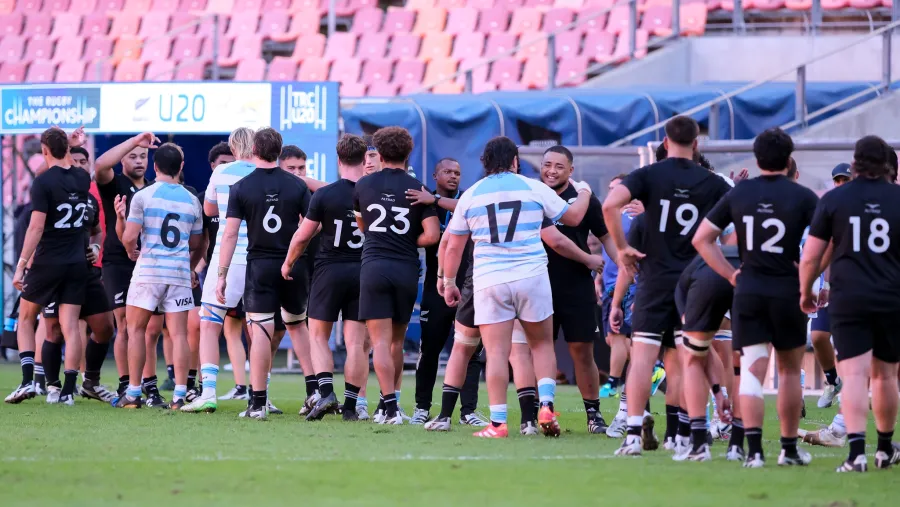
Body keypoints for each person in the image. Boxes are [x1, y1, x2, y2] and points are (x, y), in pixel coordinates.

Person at [442, 136, 593, 438]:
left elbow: (454, 246)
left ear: (484, 162)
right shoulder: (532, 187)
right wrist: (585, 191)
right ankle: (546, 405)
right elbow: (574, 217)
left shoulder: (471, 195)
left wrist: (447, 281)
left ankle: (498, 424)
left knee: (496, 354)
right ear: (515, 161)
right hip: (532, 276)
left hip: (490, 280)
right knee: (541, 345)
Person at [602, 116, 732, 456]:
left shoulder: (649, 174)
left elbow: (609, 205)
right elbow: (734, 225)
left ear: (664, 141)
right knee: (687, 361)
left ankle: (632, 434)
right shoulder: (712, 181)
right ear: (697, 143)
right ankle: (687, 432)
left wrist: (622, 248)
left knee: (642, 357)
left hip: (655, 279)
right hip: (695, 280)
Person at [693, 127, 818, 468]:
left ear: (757, 157)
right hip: (787, 288)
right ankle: (789, 450)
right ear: (789, 158)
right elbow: (829, 240)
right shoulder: (803, 197)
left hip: (749, 289)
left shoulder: (740, 193)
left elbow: (702, 239)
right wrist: (809, 279)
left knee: (751, 371)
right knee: (790, 373)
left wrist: (729, 273)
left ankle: (754, 453)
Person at [800, 135, 900, 473]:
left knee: (854, 375)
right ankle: (884, 449)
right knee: (886, 376)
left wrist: (806, 292)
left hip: (849, 296)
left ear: (855, 164)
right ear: (888, 165)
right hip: (892, 295)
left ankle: (856, 454)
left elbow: (811, 255)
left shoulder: (835, 199)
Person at [215, 127, 312, 420]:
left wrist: (221, 274)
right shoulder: (297, 186)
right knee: (298, 327)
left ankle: (257, 404)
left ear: (254, 150)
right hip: (292, 264)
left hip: (259, 265)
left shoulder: (242, 187)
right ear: (279, 152)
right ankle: (316, 394)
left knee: (260, 331)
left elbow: (230, 234)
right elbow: (310, 226)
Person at [353, 126, 440, 425]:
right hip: (405, 269)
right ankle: (394, 403)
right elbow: (432, 235)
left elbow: (363, 227)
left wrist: (386, 237)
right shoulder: (419, 188)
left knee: (377, 342)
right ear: (408, 152)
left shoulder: (363, 186)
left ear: (379, 152)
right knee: (396, 343)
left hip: (374, 265)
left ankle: (387, 409)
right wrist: (404, 240)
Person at [281, 134, 368, 421]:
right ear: (365, 159)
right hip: (363, 270)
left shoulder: (326, 195)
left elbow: (302, 236)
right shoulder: (371, 193)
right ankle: (353, 407)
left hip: (330, 270)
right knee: (356, 342)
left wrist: (288, 263)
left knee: (318, 335)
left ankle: (327, 392)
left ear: (339, 160)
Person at [112, 143, 204, 409]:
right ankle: (179, 395)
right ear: (181, 167)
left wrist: (132, 251)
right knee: (179, 336)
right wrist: (189, 267)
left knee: (136, 330)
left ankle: (133, 393)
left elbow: (129, 237)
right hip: (177, 273)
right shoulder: (191, 200)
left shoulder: (143, 196)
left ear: (154, 166)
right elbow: (197, 244)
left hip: (149, 271)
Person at [6, 127, 92, 405]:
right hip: (77, 261)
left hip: (48, 261)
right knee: (71, 326)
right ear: (67, 149)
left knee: (27, 318)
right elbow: (64, 167)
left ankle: (27, 381)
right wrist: (69, 147)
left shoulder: (42, 182)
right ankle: (68, 390)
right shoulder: (82, 177)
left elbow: (35, 227)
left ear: (44, 151)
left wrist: (20, 265)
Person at [539, 145, 619, 434]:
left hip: (576, 285)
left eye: (559, 166)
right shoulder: (534, 195)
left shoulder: (585, 199)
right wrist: (590, 260)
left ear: (571, 170)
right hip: (537, 283)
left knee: (583, 351)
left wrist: (622, 268)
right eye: (547, 164)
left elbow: (606, 235)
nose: (551, 170)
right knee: (540, 349)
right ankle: (539, 412)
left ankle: (594, 416)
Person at [403, 158, 487, 427]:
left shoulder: (465, 201)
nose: (453, 176)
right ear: (435, 174)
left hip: (469, 286)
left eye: (458, 172)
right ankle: (421, 407)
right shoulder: (422, 201)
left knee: (471, 351)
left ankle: (468, 411)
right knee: (429, 351)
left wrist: (434, 198)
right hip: (436, 287)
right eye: (448, 172)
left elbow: (465, 209)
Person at [182, 129, 259, 413]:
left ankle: (209, 391)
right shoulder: (266, 172)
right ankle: (260, 396)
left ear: (233, 146)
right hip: (260, 257)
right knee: (259, 326)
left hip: (229, 255)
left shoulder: (223, 172)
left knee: (210, 324)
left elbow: (210, 209)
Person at [94, 132, 166, 406]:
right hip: (116, 261)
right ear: (123, 159)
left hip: (146, 261)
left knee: (151, 328)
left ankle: (149, 385)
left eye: (143, 156)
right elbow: (100, 165)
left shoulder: (153, 188)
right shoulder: (115, 184)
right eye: (133, 156)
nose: (139, 160)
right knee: (125, 323)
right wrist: (136, 140)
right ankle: (127, 384)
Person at [808, 163, 851, 411]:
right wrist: (824, 284)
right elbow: (827, 248)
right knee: (818, 337)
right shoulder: (829, 209)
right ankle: (833, 381)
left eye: (845, 180)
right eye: (837, 180)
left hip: (858, 286)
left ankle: (852, 396)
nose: (840, 185)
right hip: (834, 284)